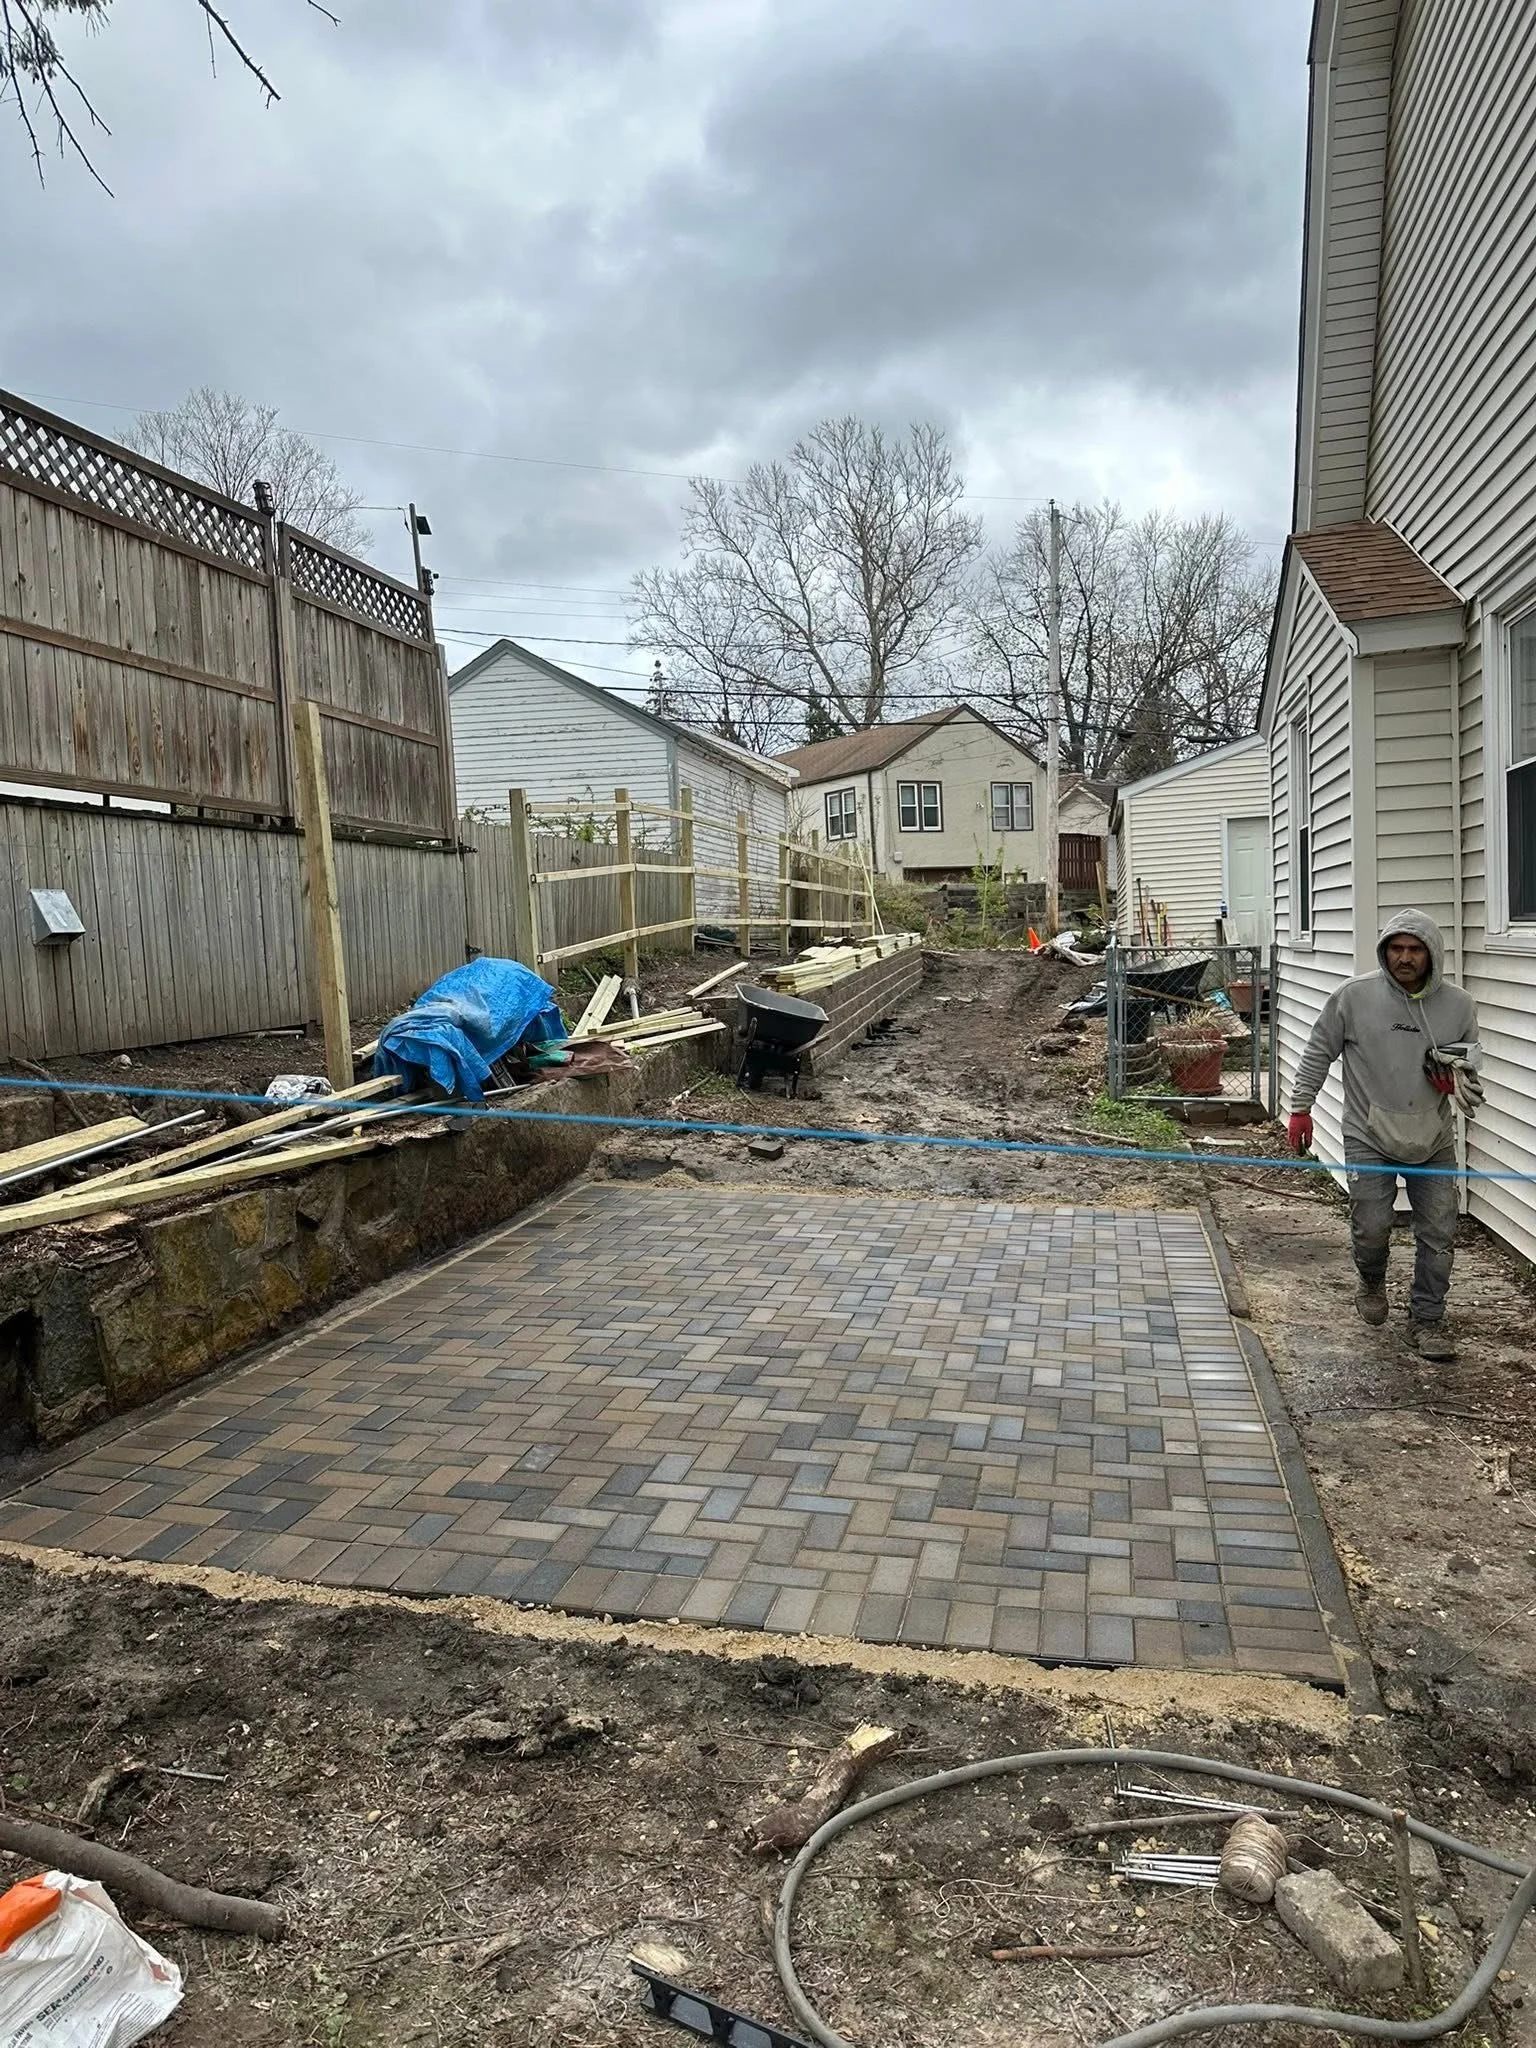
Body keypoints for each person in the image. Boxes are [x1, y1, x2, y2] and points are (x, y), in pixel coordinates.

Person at [1287, 910, 1480, 1362]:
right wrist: (1300, 1109)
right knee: (1373, 1226)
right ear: (1385, 950)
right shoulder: (1353, 998)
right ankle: (1372, 1278)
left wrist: (1456, 1079)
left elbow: (1470, 1068)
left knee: (1439, 1233)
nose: (1405, 958)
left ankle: (1426, 1321)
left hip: (1432, 1137)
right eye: (1397, 948)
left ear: (1432, 954)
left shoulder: (1459, 1005)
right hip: (1368, 1133)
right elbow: (1317, 1052)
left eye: (1415, 950)